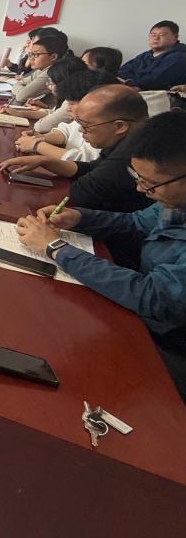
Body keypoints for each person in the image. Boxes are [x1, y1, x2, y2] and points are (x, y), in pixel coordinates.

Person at [15, 111, 186, 401]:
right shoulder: (175, 201)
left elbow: (152, 296)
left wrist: (56, 248)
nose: (140, 189)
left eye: (150, 183)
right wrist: (80, 217)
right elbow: (136, 223)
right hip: (141, 316)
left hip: (166, 347)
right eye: (137, 177)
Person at [0, 84, 154, 215]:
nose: (80, 130)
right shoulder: (133, 136)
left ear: (119, 126)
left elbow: (82, 193)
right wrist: (45, 161)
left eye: (86, 126)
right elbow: (92, 167)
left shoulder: (136, 151)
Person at [14, 71, 119, 163]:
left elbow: (84, 160)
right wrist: (42, 137)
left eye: (72, 104)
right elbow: (66, 131)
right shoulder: (83, 118)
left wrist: (38, 145)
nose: (68, 108)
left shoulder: (106, 128)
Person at [118, 21, 186, 91]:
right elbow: (121, 72)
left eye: (162, 35)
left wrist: (130, 82)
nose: (156, 38)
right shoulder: (144, 55)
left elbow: (154, 80)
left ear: (175, 37)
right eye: (153, 35)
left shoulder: (179, 57)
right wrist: (132, 82)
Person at [9, 33, 66, 104]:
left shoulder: (51, 73)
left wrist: (19, 87)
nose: (31, 58)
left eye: (36, 54)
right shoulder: (42, 69)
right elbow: (22, 81)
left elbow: (21, 96)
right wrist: (22, 87)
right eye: (31, 54)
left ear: (53, 57)